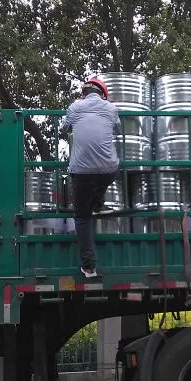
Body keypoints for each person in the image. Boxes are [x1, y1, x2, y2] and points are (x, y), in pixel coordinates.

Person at [61, 76, 120, 278]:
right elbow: (117, 128)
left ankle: (89, 267)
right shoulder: (111, 108)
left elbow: (64, 128)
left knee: (81, 217)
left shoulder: (74, 107)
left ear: (84, 94)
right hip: (108, 170)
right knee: (106, 175)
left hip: (81, 171)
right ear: (102, 94)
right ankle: (98, 202)